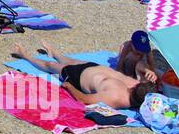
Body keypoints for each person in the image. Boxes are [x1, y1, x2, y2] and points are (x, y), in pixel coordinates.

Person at [11, 42, 156, 110]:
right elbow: (139, 66)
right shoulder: (139, 88)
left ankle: (25, 56)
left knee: (50, 67)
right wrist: (150, 72)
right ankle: (54, 53)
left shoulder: (116, 98)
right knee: (71, 60)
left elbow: (84, 99)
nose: (137, 83)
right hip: (95, 68)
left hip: (77, 76)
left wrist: (69, 87)